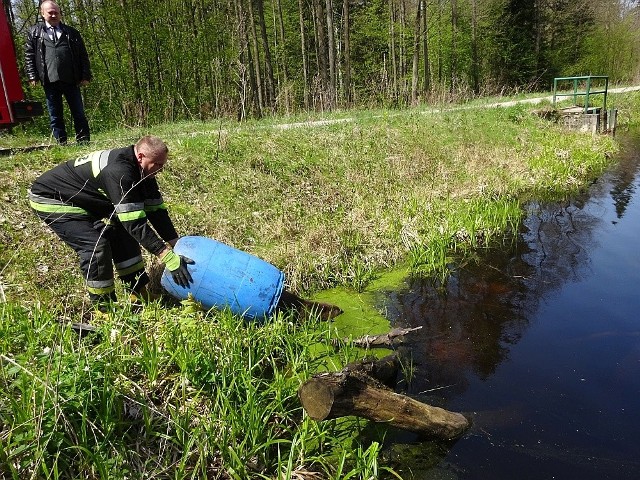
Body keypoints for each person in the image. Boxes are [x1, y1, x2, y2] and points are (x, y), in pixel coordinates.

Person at [28, 135, 193, 312]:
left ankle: (138, 291)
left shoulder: (145, 172)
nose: (160, 169)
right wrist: (166, 255)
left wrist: (177, 245)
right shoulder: (120, 172)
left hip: (86, 198)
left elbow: (157, 212)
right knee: (96, 245)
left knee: (124, 232)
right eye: (158, 164)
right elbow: (135, 223)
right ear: (141, 157)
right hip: (54, 198)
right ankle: (104, 308)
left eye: (163, 164)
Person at [25, 0, 92, 145]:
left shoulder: (72, 33)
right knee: (55, 115)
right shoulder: (34, 32)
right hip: (49, 80)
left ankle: (83, 140)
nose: (54, 15)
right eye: (50, 12)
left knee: (78, 112)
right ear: (43, 14)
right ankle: (61, 142)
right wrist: (32, 75)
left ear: (60, 14)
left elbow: (82, 55)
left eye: (56, 12)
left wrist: (85, 75)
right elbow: (29, 55)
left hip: (71, 79)